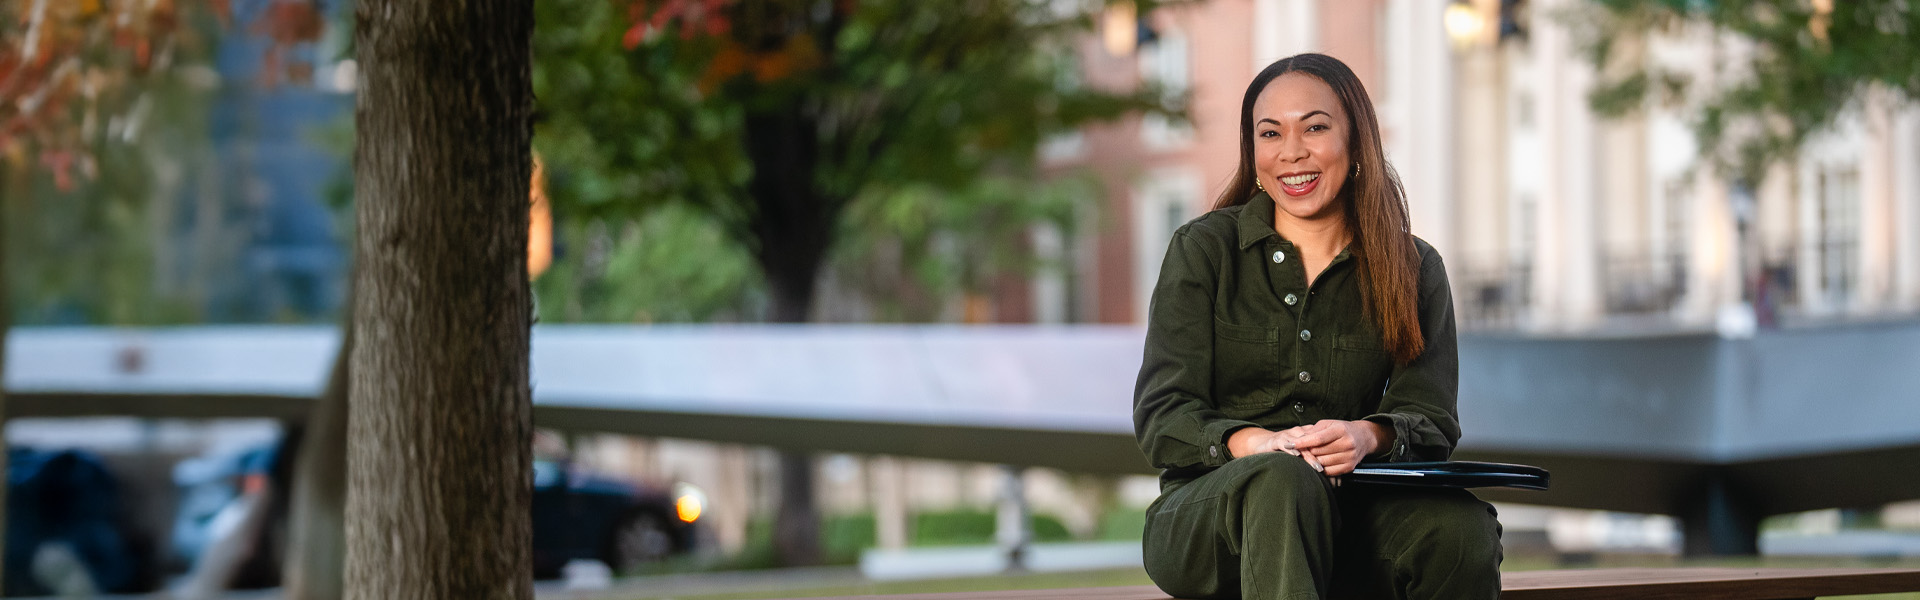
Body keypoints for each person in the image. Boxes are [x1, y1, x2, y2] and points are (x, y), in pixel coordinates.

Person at [1133, 53, 1502, 599]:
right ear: (1252, 149)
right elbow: (1164, 416)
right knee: (1282, 479)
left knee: (1460, 529)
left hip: (1351, 512)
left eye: (1315, 127)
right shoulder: (1204, 250)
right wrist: (1253, 442)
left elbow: (1429, 418)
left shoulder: (1414, 268)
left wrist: (1363, 435)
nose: (1291, 152)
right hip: (1208, 520)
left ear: (1356, 141)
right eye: (1270, 133)